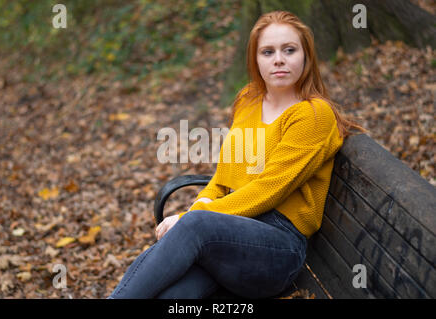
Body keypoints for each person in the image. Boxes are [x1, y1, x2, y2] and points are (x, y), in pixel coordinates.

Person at [107, 10, 366, 299]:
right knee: (173, 295)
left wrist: (191, 217)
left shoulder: (313, 116)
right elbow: (225, 173)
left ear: (306, 56)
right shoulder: (248, 100)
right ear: (256, 60)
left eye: (289, 50)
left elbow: (268, 190)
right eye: (267, 52)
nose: (278, 59)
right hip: (229, 234)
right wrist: (202, 203)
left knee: (194, 226)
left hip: (277, 248)